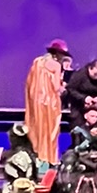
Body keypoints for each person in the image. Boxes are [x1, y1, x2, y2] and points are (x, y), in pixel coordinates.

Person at [23, 40, 71, 175]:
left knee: (38, 130)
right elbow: (56, 88)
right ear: (57, 54)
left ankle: (38, 159)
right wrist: (64, 85)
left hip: (36, 103)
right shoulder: (56, 65)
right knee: (50, 131)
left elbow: (28, 83)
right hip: (50, 104)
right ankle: (48, 160)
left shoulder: (37, 62)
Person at [63, 58, 97, 132]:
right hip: (78, 107)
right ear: (90, 69)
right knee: (78, 130)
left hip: (94, 109)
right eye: (95, 74)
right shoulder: (79, 75)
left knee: (95, 131)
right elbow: (71, 89)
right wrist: (84, 98)